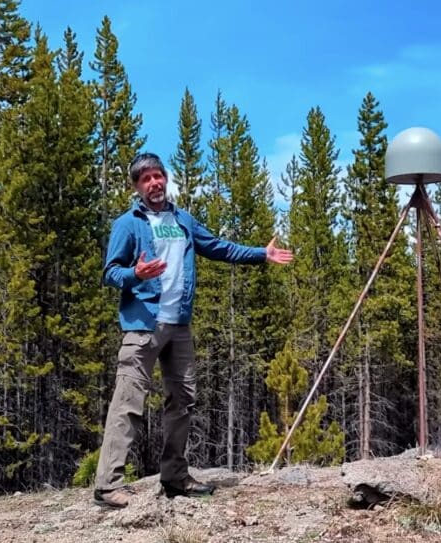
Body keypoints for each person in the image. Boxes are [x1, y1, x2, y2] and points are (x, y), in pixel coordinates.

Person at [93, 152, 293, 508]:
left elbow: (218, 247)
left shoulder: (182, 220)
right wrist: (135, 275)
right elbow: (110, 273)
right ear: (137, 187)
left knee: (183, 401)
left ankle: (173, 477)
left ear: (165, 179)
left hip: (179, 326)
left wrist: (261, 254)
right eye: (145, 179)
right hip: (143, 326)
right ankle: (108, 485)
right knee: (128, 403)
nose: (154, 183)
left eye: (158, 176)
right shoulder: (128, 223)